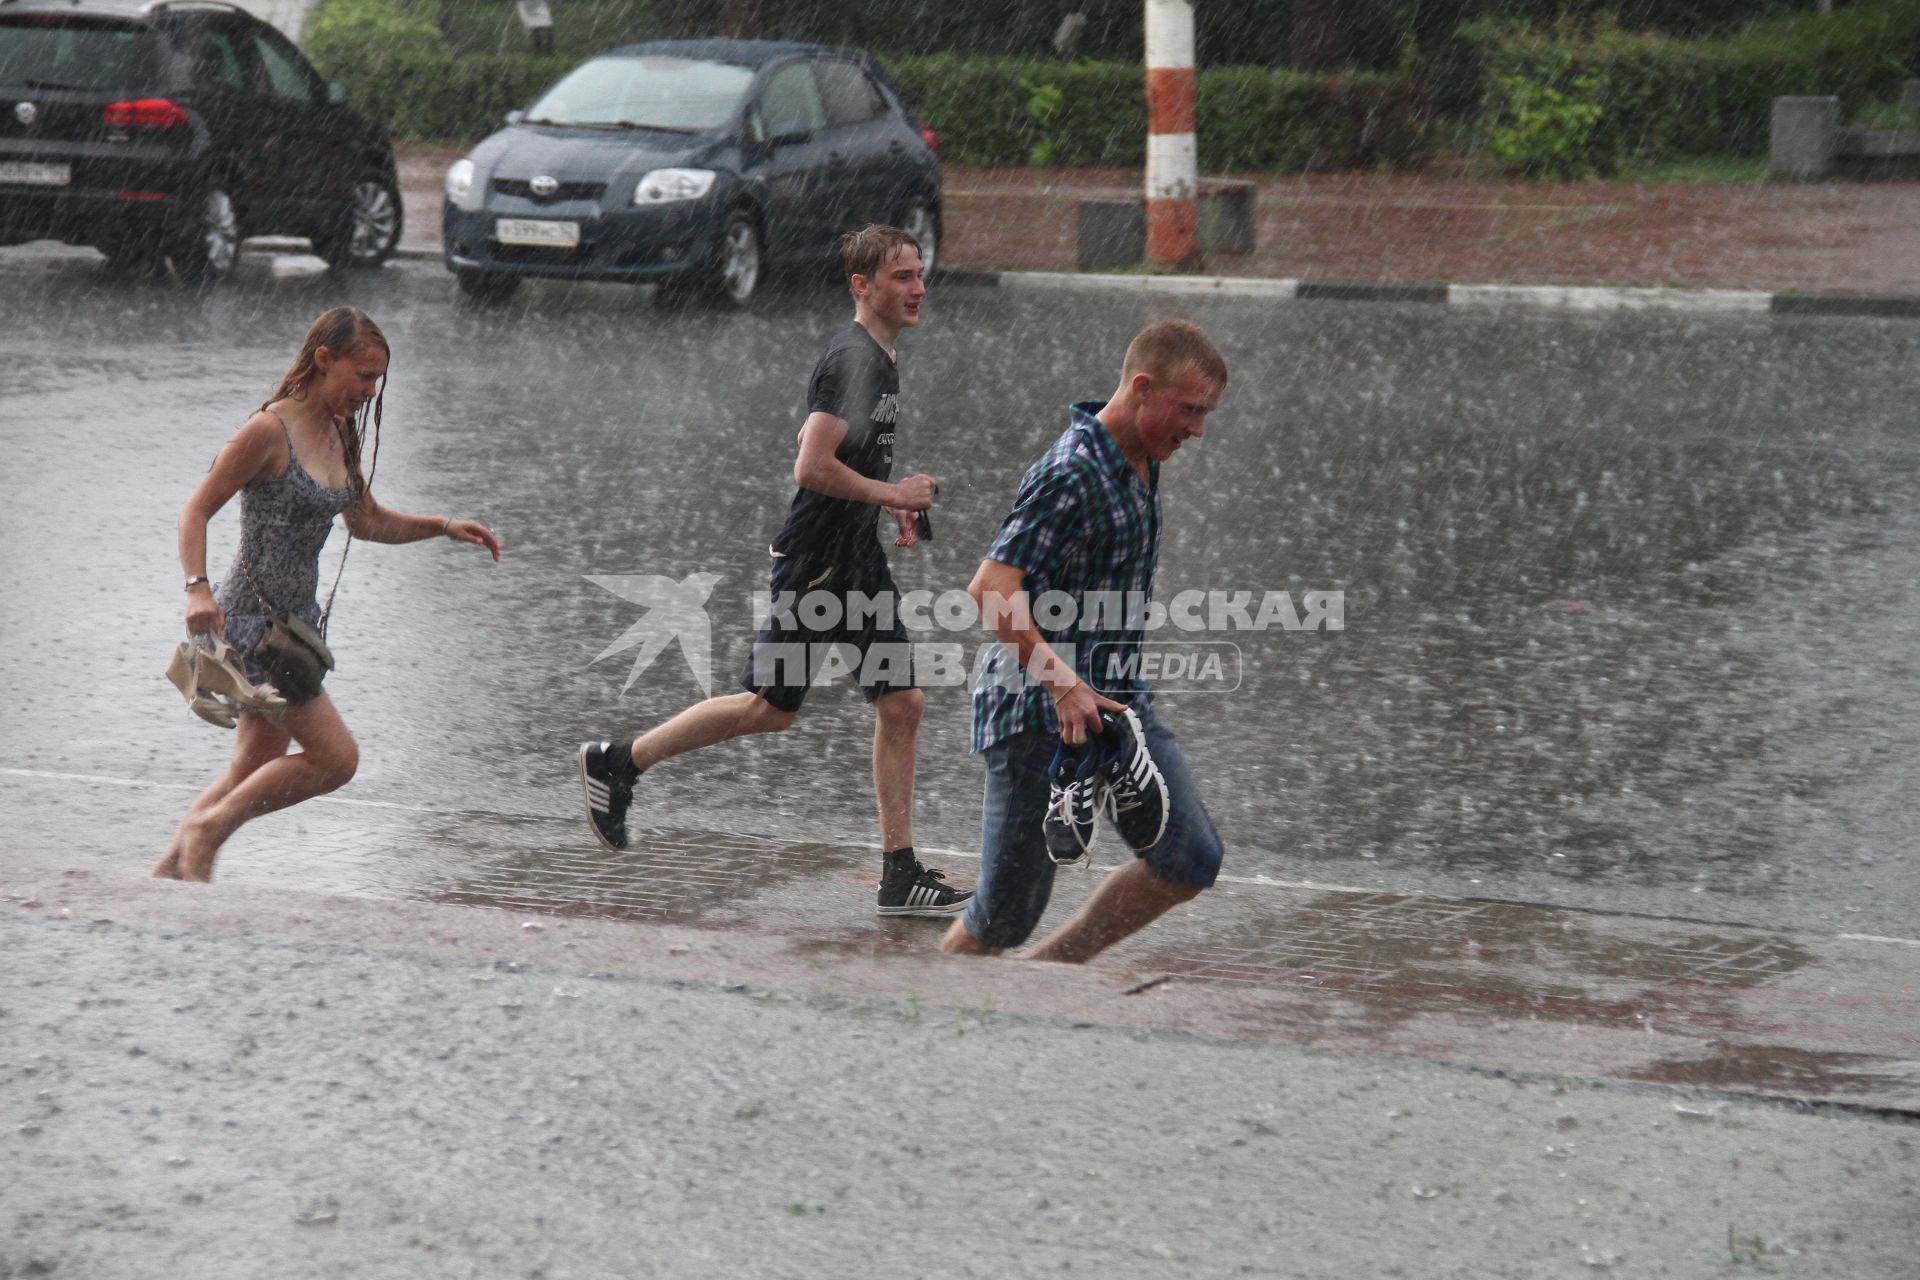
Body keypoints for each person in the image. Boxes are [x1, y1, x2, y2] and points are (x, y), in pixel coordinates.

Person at [579, 224, 972, 919]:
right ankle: (618, 762)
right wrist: (891, 495)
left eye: (919, 275)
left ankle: (898, 871)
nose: (917, 288)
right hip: (817, 565)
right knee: (769, 710)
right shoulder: (853, 357)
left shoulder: (879, 355)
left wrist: (888, 507)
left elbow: (816, 437)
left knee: (903, 702)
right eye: (901, 277)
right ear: (862, 286)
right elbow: (809, 465)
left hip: (855, 559)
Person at [153, 306, 501, 882]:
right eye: (362, 376)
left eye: (377, 380)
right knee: (337, 760)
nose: (369, 391)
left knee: (254, 764)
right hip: (254, 624)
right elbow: (195, 509)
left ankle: (168, 877)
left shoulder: (342, 431)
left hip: (297, 629)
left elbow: (366, 522)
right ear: (324, 359)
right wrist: (197, 589)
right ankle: (207, 831)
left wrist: (442, 526)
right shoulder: (269, 430)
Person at [941, 320, 1227, 963]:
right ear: (1142, 388)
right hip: (1038, 713)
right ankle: (929, 1013)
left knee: (1189, 858)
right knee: (1004, 918)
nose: (1198, 429)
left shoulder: (1145, 455)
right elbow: (989, 588)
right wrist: (1063, 682)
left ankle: (1048, 976)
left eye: (1206, 413)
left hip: (1119, 704)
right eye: (1190, 409)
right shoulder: (1071, 472)